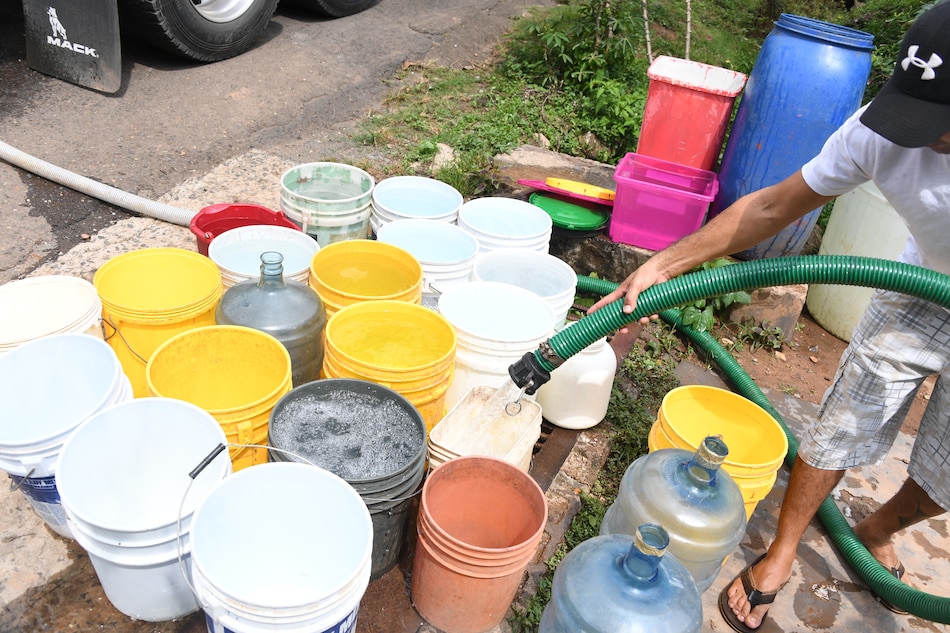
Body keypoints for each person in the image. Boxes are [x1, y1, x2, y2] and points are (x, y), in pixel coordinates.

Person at [589, 3, 950, 631]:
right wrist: (663, 266)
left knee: (946, 474)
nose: (917, 137)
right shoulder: (882, 131)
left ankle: (878, 527)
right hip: (921, 285)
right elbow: (771, 207)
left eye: (938, 123)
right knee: (842, 423)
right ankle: (781, 552)